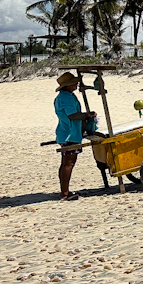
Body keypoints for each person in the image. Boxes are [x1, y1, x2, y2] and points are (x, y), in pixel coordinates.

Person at [54, 72, 96, 201]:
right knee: (69, 163)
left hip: (66, 132)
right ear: (68, 85)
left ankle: (64, 190)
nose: (76, 85)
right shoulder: (65, 98)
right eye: (74, 83)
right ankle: (65, 194)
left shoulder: (66, 96)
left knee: (65, 163)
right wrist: (87, 115)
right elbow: (73, 115)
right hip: (70, 135)